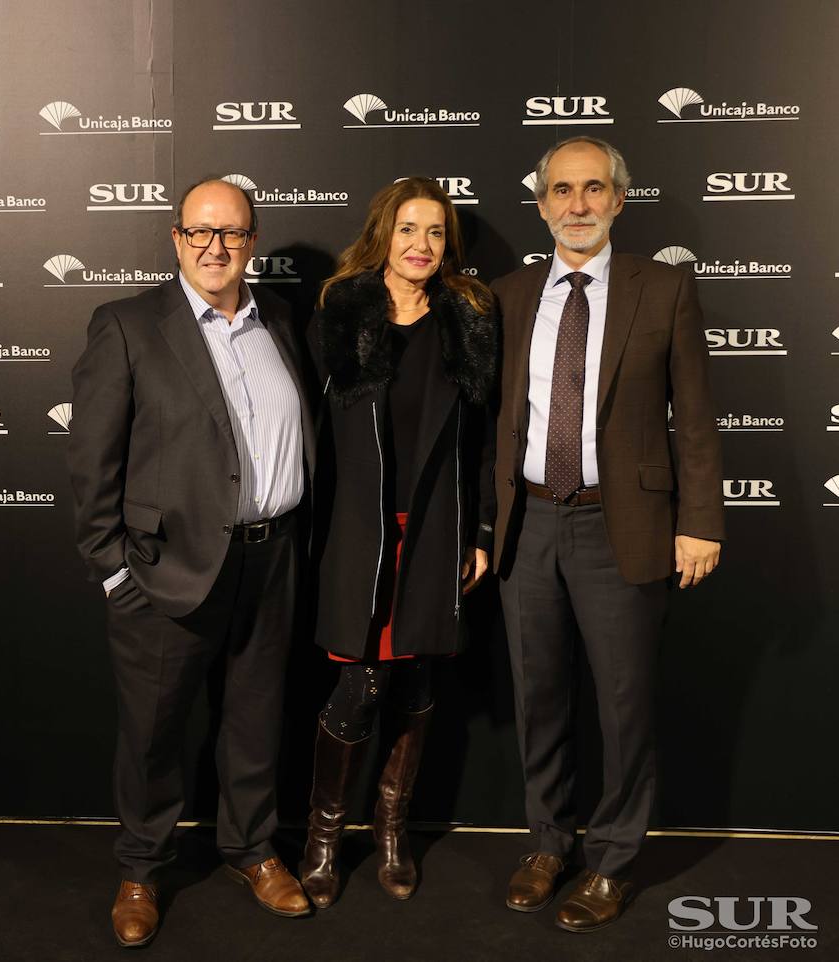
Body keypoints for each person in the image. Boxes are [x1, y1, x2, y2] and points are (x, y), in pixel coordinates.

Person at [68, 177, 317, 947]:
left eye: (233, 233)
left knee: (254, 718)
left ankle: (250, 848)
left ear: (252, 240)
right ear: (176, 240)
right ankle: (142, 866)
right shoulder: (128, 325)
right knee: (153, 731)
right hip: (164, 570)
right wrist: (114, 569)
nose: (216, 247)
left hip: (270, 560)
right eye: (200, 232)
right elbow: (91, 463)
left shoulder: (278, 318)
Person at [491, 137, 724, 932]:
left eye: (594, 189)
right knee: (539, 697)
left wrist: (699, 522)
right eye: (562, 190)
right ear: (542, 203)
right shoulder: (509, 294)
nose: (578, 204)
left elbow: (693, 417)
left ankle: (613, 860)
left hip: (622, 523)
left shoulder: (663, 288)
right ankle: (548, 844)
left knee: (623, 707)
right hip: (527, 522)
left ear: (619, 200)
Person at [298, 177, 498, 909]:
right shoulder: (341, 308)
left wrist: (479, 533)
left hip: (437, 529)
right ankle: (323, 838)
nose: (422, 245)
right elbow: (311, 431)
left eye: (436, 232)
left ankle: (391, 831)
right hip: (360, 534)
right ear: (384, 233)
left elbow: (480, 440)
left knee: (416, 684)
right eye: (409, 229)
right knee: (359, 685)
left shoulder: (469, 315)